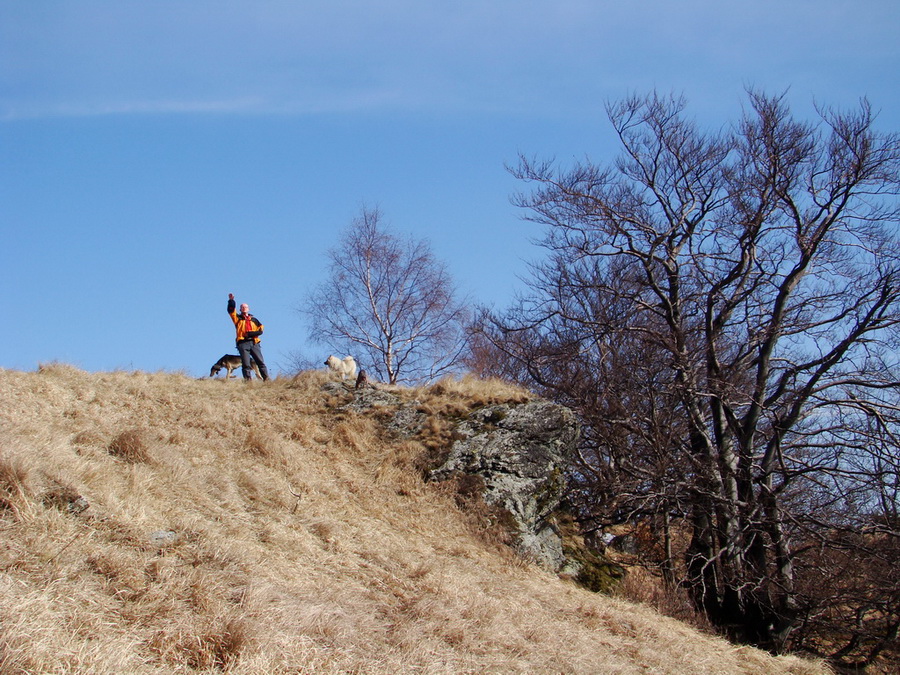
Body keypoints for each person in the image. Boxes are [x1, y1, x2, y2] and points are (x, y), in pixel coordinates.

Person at [227, 293, 270, 381]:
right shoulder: (238, 318)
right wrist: (231, 301)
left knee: (260, 362)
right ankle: (248, 382)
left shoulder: (254, 320)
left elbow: (261, 330)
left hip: (254, 342)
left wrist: (250, 334)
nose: (244, 308)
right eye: (242, 307)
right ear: (240, 309)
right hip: (243, 343)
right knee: (246, 364)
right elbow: (231, 311)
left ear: (248, 309)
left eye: (245, 307)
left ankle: (266, 379)